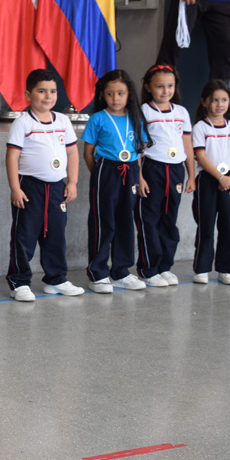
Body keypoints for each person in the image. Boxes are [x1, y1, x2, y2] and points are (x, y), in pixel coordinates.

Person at [5, 69, 83, 302]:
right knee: (25, 236)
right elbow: (12, 157)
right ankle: (19, 282)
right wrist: (15, 188)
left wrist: (72, 182)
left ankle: (56, 279)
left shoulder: (63, 120)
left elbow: (72, 153)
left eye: (52, 91)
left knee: (56, 235)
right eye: (41, 91)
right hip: (30, 188)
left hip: (57, 188)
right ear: (28, 94)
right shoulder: (22, 123)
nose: (48, 96)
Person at [81, 70, 149, 293]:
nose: (115, 98)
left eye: (121, 93)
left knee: (125, 221)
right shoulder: (98, 118)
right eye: (110, 94)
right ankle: (98, 273)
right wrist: (98, 174)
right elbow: (88, 152)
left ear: (129, 94)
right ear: (103, 94)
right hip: (106, 170)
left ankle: (121, 272)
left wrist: (139, 177)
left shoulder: (135, 117)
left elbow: (139, 152)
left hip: (131, 171)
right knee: (104, 221)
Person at [134, 65, 195, 287]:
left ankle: (164, 267)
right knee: (149, 220)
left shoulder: (181, 112)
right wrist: (139, 177)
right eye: (159, 86)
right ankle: (148, 269)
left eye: (170, 86)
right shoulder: (144, 111)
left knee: (169, 220)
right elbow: (138, 147)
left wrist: (191, 175)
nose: (165, 91)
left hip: (176, 170)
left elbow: (187, 144)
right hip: (153, 169)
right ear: (148, 87)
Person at [191, 80, 230, 285]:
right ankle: (202, 268)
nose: (219, 104)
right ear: (204, 102)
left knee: (229, 225)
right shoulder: (200, 127)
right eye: (214, 100)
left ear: (229, 102)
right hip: (209, 179)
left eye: (224, 100)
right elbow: (201, 156)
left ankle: (226, 269)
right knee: (206, 225)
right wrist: (220, 177)